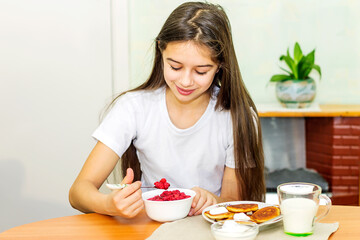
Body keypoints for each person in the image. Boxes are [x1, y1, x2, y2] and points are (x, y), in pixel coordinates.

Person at [69, 1, 265, 219]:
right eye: (175, 67)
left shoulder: (237, 117)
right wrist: (108, 204)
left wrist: (213, 201)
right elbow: (78, 192)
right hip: (151, 228)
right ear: (160, 50)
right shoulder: (134, 108)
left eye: (201, 71)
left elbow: (233, 202)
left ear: (220, 65)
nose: (186, 81)